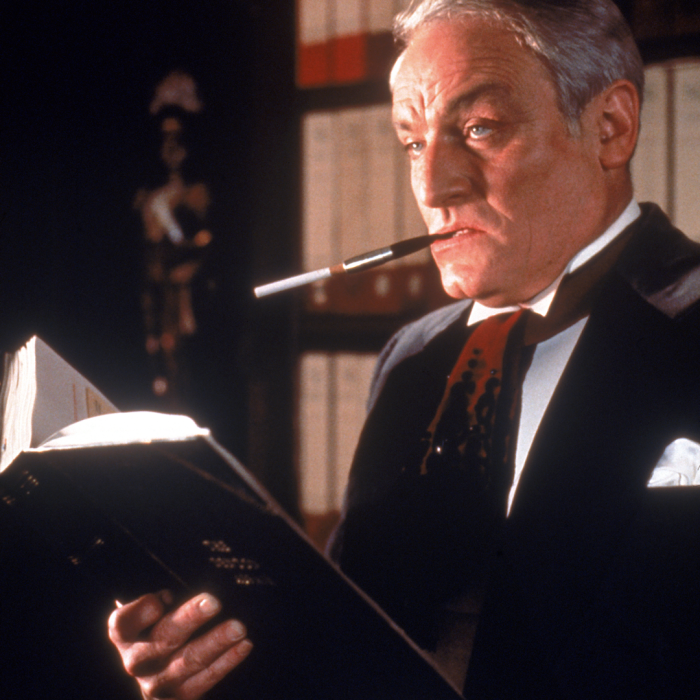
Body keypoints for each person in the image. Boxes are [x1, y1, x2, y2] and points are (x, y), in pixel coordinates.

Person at [108, 1, 700, 698]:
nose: (431, 186)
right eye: (414, 142)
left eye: (480, 129)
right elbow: (346, 644)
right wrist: (213, 661)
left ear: (611, 127)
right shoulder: (413, 357)